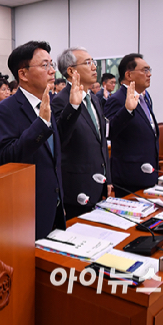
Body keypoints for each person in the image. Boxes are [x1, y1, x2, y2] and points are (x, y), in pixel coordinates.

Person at [0, 41, 65, 240]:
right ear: (22, 74)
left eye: (52, 65)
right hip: (29, 209)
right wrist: (41, 123)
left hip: (56, 204)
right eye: (44, 65)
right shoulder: (4, 110)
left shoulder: (47, 102)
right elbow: (8, 157)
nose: (51, 71)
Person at [52, 47, 111, 220]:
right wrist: (74, 107)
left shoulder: (93, 98)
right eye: (88, 63)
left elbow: (101, 141)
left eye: (93, 62)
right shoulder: (60, 101)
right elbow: (59, 140)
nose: (94, 67)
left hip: (99, 182)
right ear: (71, 71)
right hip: (77, 188)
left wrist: (108, 177)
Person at [104, 53, 159, 197]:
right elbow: (110, 131)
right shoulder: (117, 99)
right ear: (129, 75)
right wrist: (127, 110)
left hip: (148, 171)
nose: (149, 75)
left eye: (149, 70)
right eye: (145, 70)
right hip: (130, 176)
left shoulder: (144, 98)